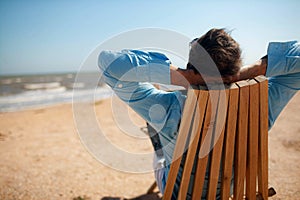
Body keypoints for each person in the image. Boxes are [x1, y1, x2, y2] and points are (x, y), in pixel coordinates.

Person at [98, 28, 300, 199]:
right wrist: (251, 71)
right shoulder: (262, 103)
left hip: (179, 195)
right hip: (230, 192)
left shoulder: (171, 108)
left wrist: (185, 77)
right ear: (235, 68)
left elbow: (109, 65)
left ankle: (157, 139)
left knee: (159, 153)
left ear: (191, 69)